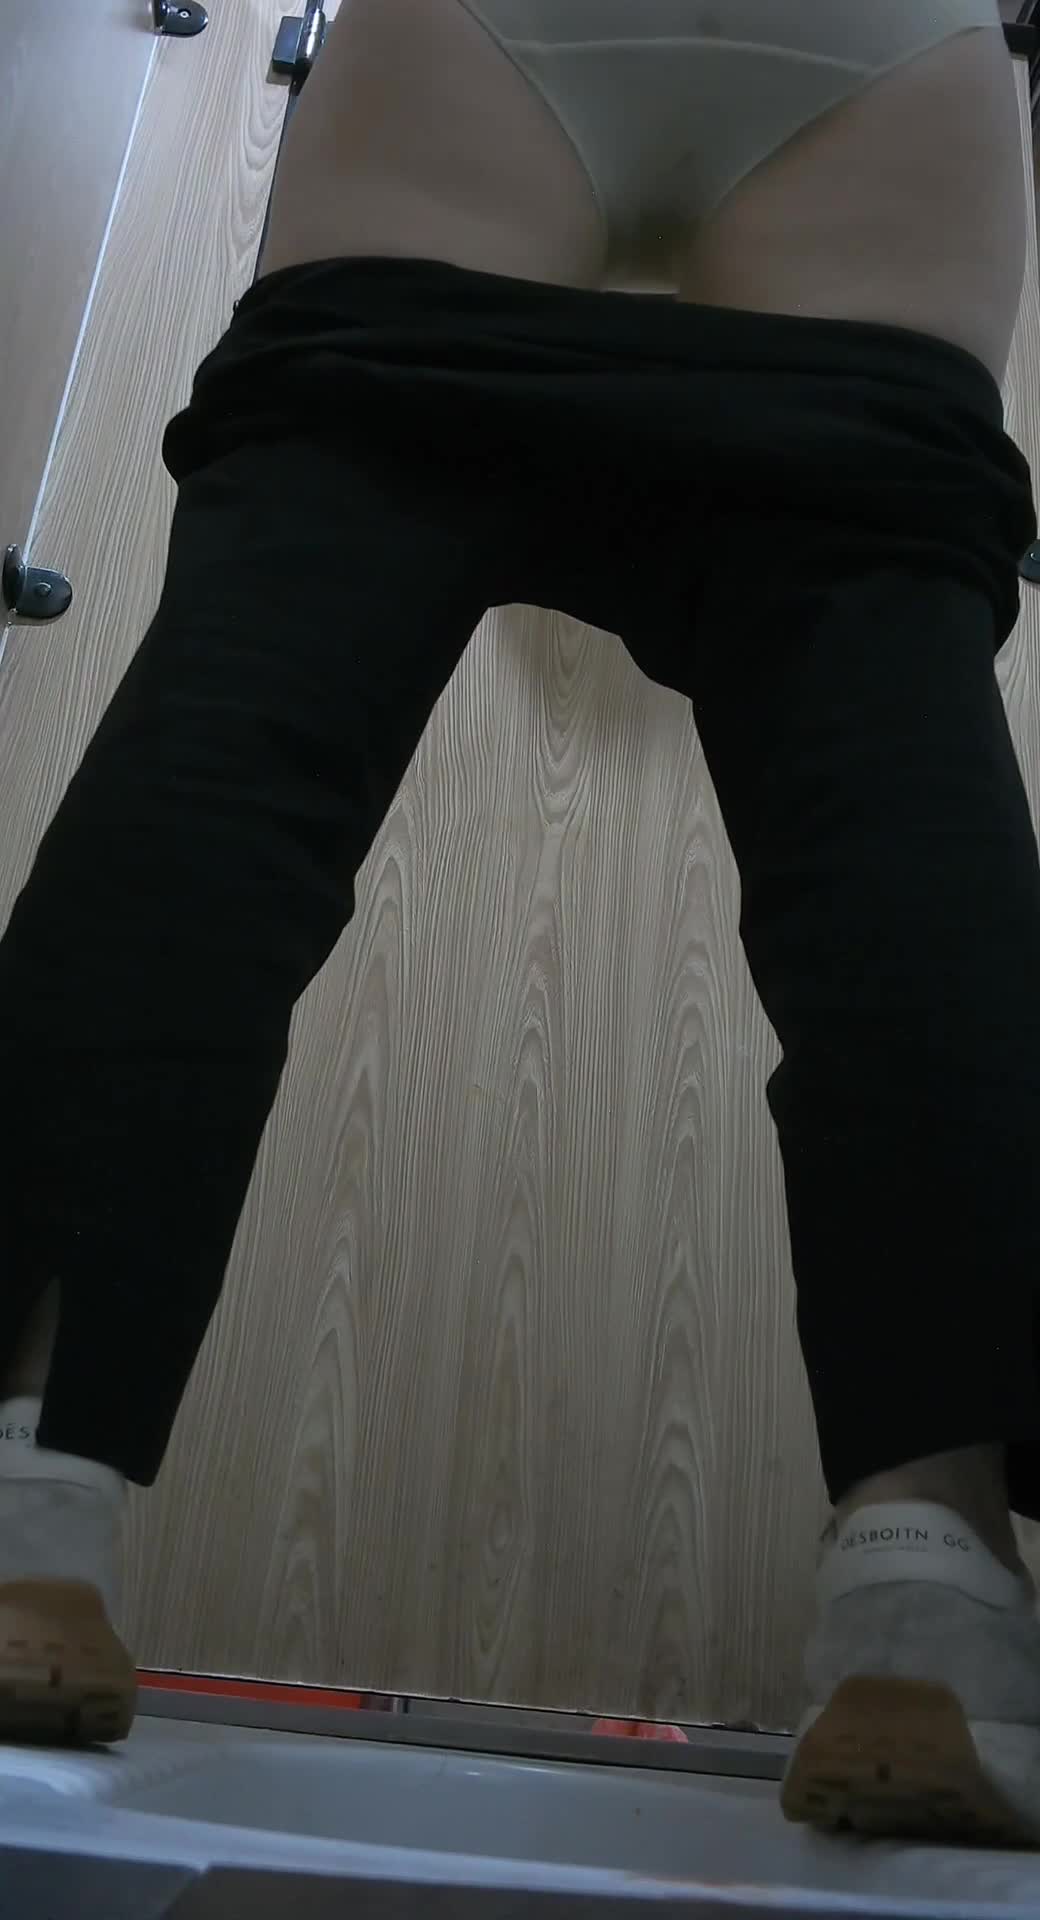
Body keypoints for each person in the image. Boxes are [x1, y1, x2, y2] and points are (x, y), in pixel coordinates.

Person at [1, 0, 1038, 1849]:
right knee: (891, 797)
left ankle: (25, 1492)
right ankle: (927, 1588)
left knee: (245, 744)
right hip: (875, 37)